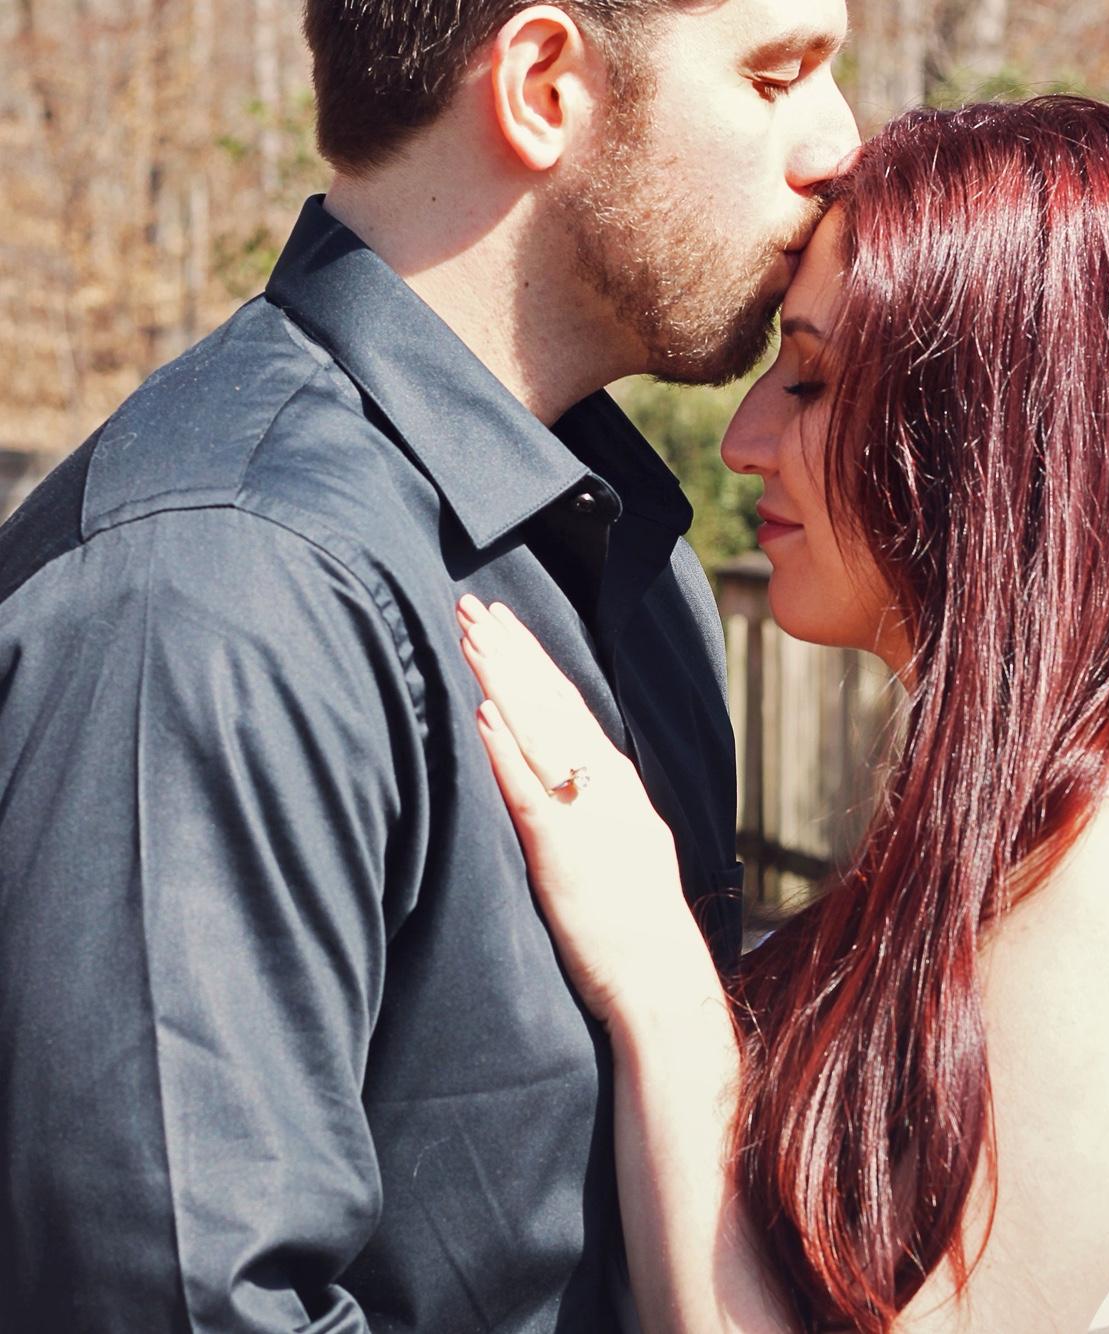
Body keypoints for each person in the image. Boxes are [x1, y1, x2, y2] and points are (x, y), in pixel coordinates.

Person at [0, 1, 858, 1330]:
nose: (836, 143)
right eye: (774, 74)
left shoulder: (624, 552)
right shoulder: (215, 584)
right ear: (542, 84)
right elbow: (170, 1296)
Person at [457, 97, 1109, 1333]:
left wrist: (655, 974)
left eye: (811, 381)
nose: (745, 441)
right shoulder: (1023, 831)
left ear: (1009, 442)